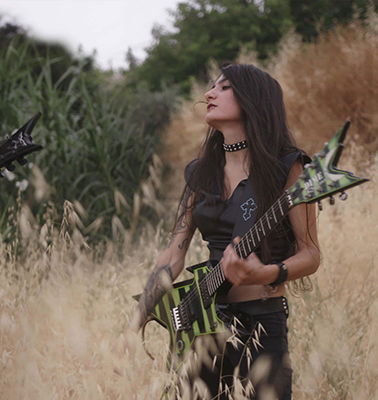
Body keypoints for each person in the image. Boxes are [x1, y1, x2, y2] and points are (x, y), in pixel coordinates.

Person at [127, 63, 320, 399]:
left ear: (252, 99)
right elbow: (175, 251)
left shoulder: (288, 167)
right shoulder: (200, 173)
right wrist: (136, 321)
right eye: (212, 87)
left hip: (261, 324)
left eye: (224, 87)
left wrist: (268, 272)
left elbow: (311, 254)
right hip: (199, 325)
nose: (209, 94)